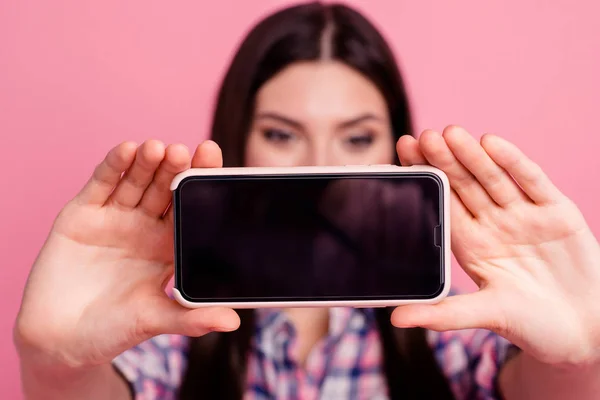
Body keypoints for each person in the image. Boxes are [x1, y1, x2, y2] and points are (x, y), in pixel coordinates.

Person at [13, 2, 600, 400]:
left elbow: (545, 383)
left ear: (395, 153)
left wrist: (583, 360)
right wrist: (55, 368)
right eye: (281, 134)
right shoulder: (167, 336)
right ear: (237, 134)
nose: (323, 166)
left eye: (357, 136)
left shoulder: (453, 329)